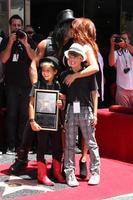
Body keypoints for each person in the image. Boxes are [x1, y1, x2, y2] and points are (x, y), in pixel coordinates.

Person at [61, 43, 100, 187]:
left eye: (75, 57)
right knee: (69, 144)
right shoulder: (64, 74)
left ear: (81, 58)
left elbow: (94, 94)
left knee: (91, 142)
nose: (72, 60)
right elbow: (63, 96)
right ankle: (69, 173)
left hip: (85, 109)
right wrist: (60, 102)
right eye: (70, 57)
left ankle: (95, 172)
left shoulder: (88, 73)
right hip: (71, 109)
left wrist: (95, 114)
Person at [0, 14, 36, 154]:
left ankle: (22, 146)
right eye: (14, 25)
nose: (16, 28)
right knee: (11, 115)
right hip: (11, 85)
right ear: (10, 27)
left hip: (27, 85)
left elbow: (34, 58)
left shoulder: (29, 40)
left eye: (19, 25)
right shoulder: (5, 41)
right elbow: (3, 59)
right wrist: (10, 43)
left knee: (24, 115)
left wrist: (26, 44)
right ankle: (10, 145)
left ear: (22, 26)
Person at [29, 56, 65, 185]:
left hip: (55, 122)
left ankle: (56, 172)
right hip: (40, 122)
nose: (45, 73)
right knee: (41, 147)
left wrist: (62, 104)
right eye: (43, 70)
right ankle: (41, 175)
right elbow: (31, 103)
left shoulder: (58, 85)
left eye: (48, 70)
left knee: (57, 147)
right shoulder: (37, 84)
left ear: (55, 72)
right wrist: (32, 121)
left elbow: (62, 105)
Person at [108, 32, 133, 107]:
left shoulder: (131, 50)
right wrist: (112, 46)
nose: (122, 40)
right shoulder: (116, 53)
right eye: (121, 39)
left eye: (125, 39)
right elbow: (111, 63)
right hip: (122, 89)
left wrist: (126, 45)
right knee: (123, 115)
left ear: (129, 40)